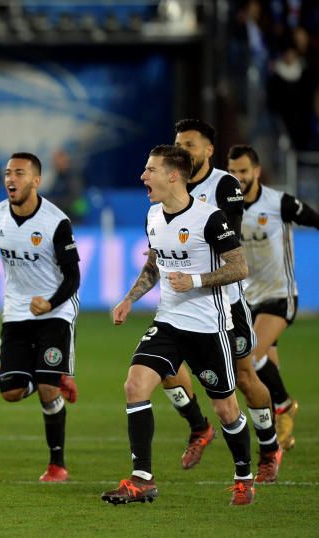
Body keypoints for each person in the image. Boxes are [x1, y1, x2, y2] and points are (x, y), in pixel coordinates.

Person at [103, 145, 255, 506]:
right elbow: (155, 265)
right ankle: (142, 479)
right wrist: (129, 299)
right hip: (168, 322)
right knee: (135, 384)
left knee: (226, 411)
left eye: (150, 170)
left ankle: (244, 475)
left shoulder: (210, 218)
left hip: (208, 328)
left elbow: (239, 267)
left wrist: (197, 281)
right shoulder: (153, 215)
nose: (143, 177)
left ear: (173, 175)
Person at [166, 119, 279, 481]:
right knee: (164, 369)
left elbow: (224, 238)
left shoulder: (225, 185)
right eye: (178, 143)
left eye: (191, 144)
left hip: (224, 301)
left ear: (209, 150)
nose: (183, 149)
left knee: (246, 379)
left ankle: (269, 446)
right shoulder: (169, 183)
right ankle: (199, 427)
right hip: (181, 303)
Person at [0, 153, 80, 483]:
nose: (11, 179)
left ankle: (57, 465)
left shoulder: (56, 222)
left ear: (36, 181)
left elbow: (73, 278)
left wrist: (51, 301)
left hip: (56, 311)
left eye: (20, 173)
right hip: (16, 312)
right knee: (10, 392)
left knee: (46, 390)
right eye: (8, 173)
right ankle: (52, 373)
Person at [229, 144, 318, 455]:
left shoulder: (278, 203)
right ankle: (282, 432)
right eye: (233, 172)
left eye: (243, 171)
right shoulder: (228, 209)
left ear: (256, 172)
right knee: (260, 368)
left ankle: (283, 406)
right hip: (248, 297)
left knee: (250, 358)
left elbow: (315, 219)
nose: (238, 177)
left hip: (280, 295)